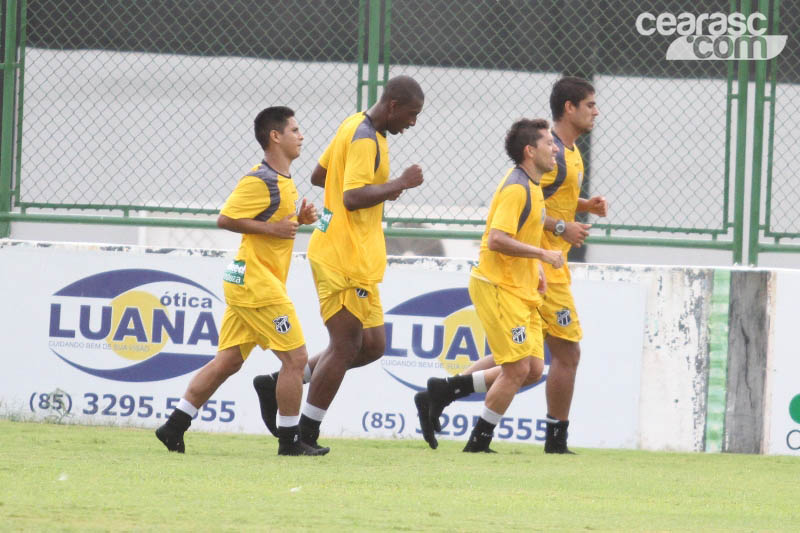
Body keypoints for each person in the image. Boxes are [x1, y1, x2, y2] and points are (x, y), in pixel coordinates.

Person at [417, 77, 608, 454]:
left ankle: (443, 392)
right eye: (589, 104)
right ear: (568, 108)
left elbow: (544, 203)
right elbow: (523, 217)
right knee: (552, 357)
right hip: (533, 270)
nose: (596, 111)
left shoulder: (565, 156)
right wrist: (558, 233)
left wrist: (583, 207)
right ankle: (550, 439)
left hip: (539, 267)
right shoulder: (539, 164)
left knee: (528, 364)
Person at [252, 76, 425, 452]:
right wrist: (399, 184)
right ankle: (306, 433)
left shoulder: (356, 126)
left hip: (357, 257)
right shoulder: (363, 137)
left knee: (373, 345)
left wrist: (380, 191)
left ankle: (278, 382)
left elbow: (319, 176)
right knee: (345, 345)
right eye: (411, 115)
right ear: (393, 106)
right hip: (341, 257)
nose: (412, 123)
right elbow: (350, 196)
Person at [155, 106, 325, 456]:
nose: (301, 135)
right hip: (257, 284)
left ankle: (174, 426)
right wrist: (273, 228)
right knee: (296, 359)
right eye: (295, 129)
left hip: (248, 282)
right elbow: (226, 219)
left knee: (229, 361)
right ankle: (290, 441)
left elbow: (275, 222)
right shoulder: (258, 179)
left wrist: (299, 218)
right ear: (275, 136)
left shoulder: (285, 180)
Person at [423, 118, 563, 452]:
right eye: (548, 143)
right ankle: (478, 443)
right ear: (530, 151)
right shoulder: (517, 188)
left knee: (533, 368)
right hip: (498, 287)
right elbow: (497, 239)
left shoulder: (532, 185)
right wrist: (543, 253)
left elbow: (528, 226)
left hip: (521, 288)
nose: (555, 149)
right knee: (516, 369)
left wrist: (535, 267)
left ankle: (443, 391)